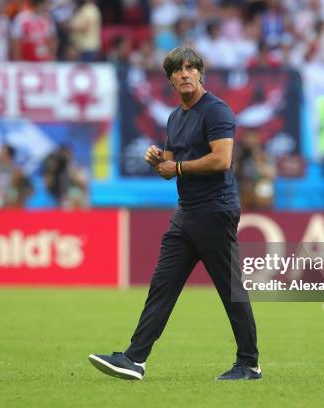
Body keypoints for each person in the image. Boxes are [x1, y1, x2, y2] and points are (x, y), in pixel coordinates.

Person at [88, 46, 261, 381]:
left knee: (229, 290)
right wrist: (158, 162)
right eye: (177, 70)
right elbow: (169, 167)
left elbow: (221, 160)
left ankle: (249, 364)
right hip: (187, 213)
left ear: (199, 73)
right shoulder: (175, 117)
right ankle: (135, 358)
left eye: (190, 68)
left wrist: (176, 166)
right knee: (162, 285)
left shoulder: (216, 111)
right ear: (169, 78)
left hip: (215, 211)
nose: (184, 74)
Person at [0, 144, 33, 209]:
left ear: (9, 155)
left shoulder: (18, 173)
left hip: (11, 207)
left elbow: (29, 191)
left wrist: (18, 201)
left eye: (2, 152)